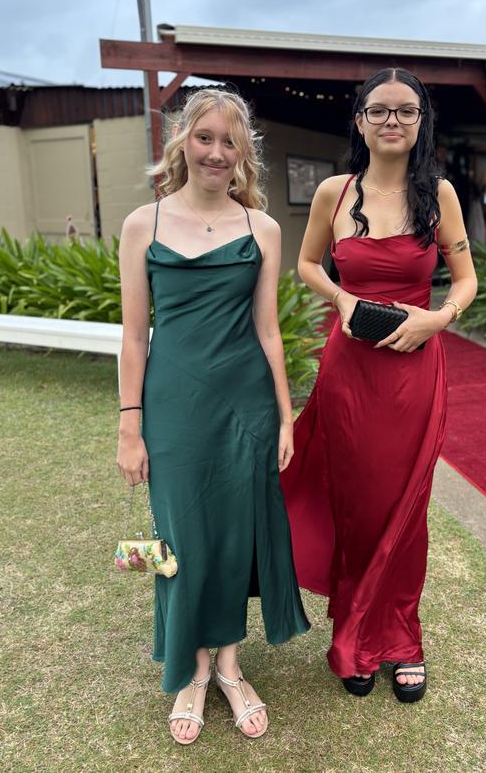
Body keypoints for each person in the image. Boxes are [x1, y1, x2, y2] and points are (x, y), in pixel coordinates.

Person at [116, 86, 309, 746]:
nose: (217, 152)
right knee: (177, 539)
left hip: (245, 408)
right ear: (182, 142)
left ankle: (228, 663)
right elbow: (133, 335)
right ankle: (191, 670)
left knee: (231, 537)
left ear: (243, 152)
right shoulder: (143, 223)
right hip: (171, 409)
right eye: (206, 137)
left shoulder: (264, 229)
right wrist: (128, 425)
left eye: (230, 141)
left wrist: (284, 417)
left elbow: (270, 331)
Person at [280, 68, 477, 702]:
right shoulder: (333, 194)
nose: (393, 121)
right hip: (350, 370)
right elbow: (307, 263)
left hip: (415, 371)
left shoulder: (439, 194)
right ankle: (355, 636)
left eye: (406, 111)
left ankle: (402, 639)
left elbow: (467, 279)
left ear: (421, 122)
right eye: (380, 110)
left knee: (407, 507)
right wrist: (340, 299)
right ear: (360, 120)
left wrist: (438, 318)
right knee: (355, 503)